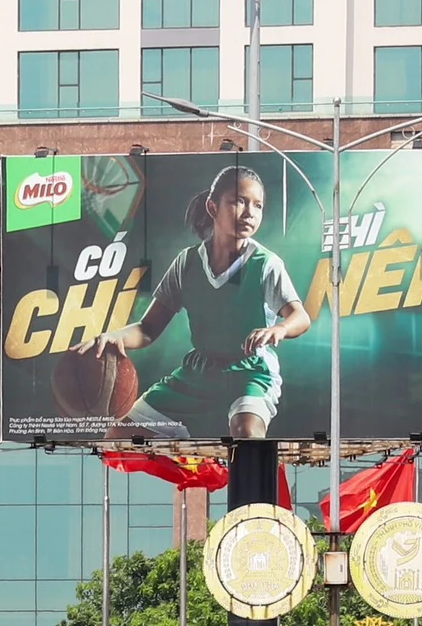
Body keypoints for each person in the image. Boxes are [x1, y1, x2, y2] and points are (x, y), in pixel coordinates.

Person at [84, 164, 311, 441]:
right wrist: (114, 336)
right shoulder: (187, 262)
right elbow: (147, 328)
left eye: (258, 205)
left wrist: (280, 329)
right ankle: (187, 458)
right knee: (117, 435)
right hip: (199, 373)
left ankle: (249, 468)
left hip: (251, 372)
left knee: (247, 433)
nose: (250, 212)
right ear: (213, 207)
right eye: (239, 201)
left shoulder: (266, 264)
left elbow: (301, 317)